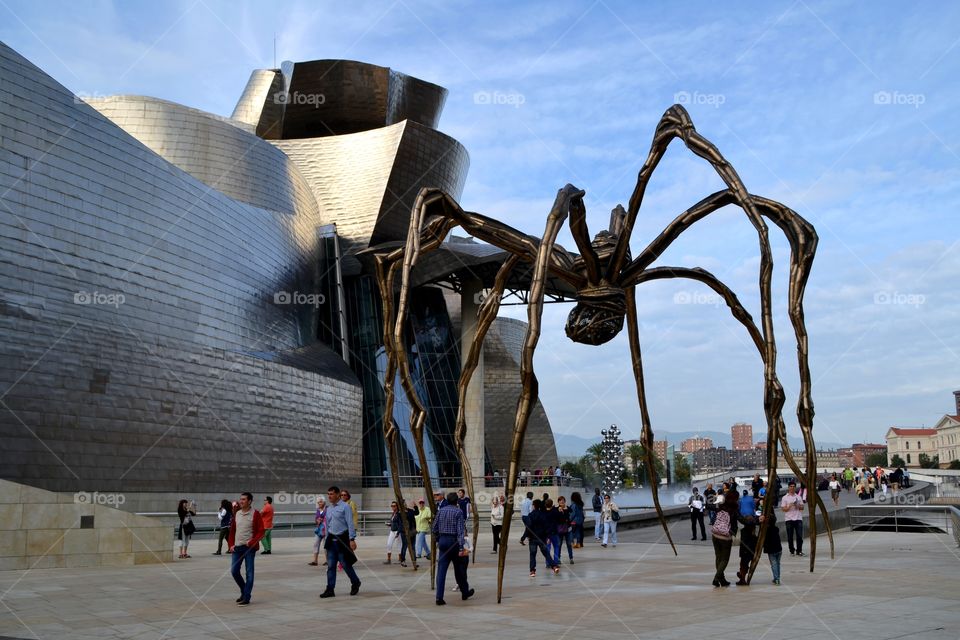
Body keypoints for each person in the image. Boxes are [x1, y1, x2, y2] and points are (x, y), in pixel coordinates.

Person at [319, 486, 361, 598]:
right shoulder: (329, 509)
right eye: (328, 494)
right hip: (331, 542)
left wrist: (352, 539)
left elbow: (350, 523)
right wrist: (326, 541)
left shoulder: (345, 507)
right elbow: (327, 525)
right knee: (331, 566)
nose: (329, 496)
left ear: (338, 494)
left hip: (342, 540)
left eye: (332, 494)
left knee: (346, 564)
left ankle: (355, 582)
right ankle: (330, 589)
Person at [433, 491, 473, 605]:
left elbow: (434, 528)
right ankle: (465, 591)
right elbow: (460, 531)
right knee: (459, 568)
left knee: (441, 571)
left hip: (443, 541)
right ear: (456, 501)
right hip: (453, 541)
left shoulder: (441, 511)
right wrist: (461, 547)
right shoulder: (458, 512)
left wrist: (438, 539)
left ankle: (439, 597)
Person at [227, 492, 265, 606]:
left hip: (249, 548)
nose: (241, 501)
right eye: (240, 499)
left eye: (243, 499)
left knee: (249, 573)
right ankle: (244, 591)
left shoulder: (255, 514)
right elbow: (232, 531)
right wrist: (231, 545)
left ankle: (246, 597)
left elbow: (261, 531)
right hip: (237, 548)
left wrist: (252, 542)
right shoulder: (237, 514)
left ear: (249, 501)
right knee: (234, 571)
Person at [710, 486, 738, 587]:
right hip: (725, 537)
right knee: (724, 559)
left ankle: (722, 580)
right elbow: (741, 520)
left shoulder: (720, 506)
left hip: (715, 534)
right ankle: (716, 578)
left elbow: (710, 507)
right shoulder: (734, 510)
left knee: (718, 557)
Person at [525, 499, 558, 576]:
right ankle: (554, 567)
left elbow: (528, 527)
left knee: (532, 555)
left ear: (534, 506)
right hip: (542, 538)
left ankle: (532, 571)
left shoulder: (531, 515)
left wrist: (524, 537)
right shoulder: (543, 515)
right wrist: (548, 537)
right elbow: (546, 527)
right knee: (546, 553)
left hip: (533, 538)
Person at [780, 481, 805, 556]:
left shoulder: (798, 497)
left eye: (793, 486)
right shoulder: (785, 497)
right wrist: (789, 506)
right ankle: (792, 550)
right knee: (790, 536)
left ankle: (799, 550)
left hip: (798, 518)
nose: (792, 488)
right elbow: (783, 509)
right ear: (788, 487)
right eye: (791, 486)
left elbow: (802, 507)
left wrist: (798, 506)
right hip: (789, 519)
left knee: (799, 536)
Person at [736, 516, 758, 585]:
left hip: (745, 552)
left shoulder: (745, 531)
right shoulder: (753, 533)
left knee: (743, 564)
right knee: (744, 564)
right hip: (750, 552)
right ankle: (742, 577)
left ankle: (742, 577)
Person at [556, 496, 574, 564]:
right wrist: (560, 512)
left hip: (568, 529)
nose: (561, 501)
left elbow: (570, 517)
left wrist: (564, 512)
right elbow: (556, 519)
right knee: (559, 544)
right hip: (560, 529)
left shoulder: (568, 508)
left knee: (569, 544)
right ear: (558, 502)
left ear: (565, 501)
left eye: (563, 500)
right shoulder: (556, 509)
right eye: (560, 500)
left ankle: (571, 558)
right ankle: (558, 558)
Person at [542, 498, 561, 564]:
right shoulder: (555, 512)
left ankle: (548, 562)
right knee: (556, 547)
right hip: (554, 532)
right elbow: (559, 520)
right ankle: (555, 562)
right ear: (552, 504)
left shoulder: (543, 513)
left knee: (548, 548)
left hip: (546, 533)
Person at [309, 497, 326, 566]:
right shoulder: (318, 510)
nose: (319, 503)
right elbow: (315, 520)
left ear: (324, 502)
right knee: (315, 544)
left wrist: (323, 520)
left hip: (325, 529)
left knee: (326, 545)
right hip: (319, 530)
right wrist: (317, 521)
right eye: (318, 502)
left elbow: (330, 518)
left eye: (321, 502)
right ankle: (315, 561)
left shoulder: (327, 509)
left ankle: (327, 560)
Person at [384, 500, 402, 566]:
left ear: (397, 506)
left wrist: (398, 533)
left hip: (397, 531)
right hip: (392, 530)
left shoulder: (399, 514)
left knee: (399, 545)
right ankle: (389, 559)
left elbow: (400, 524)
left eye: (394, 506)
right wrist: (389, 524)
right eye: (392, 506)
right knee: (389, 544)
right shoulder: (393, 513)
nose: (393, 507)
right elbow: (393, 522)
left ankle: (400, 559)